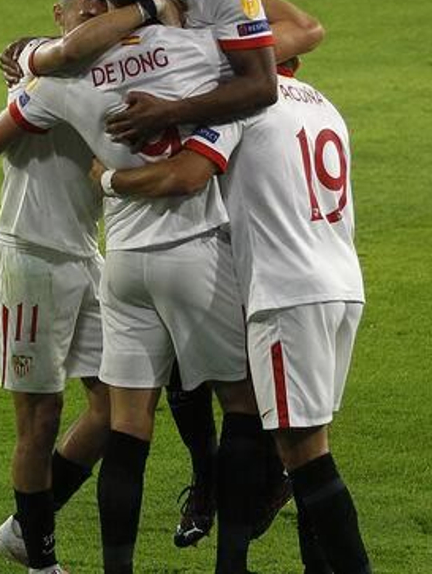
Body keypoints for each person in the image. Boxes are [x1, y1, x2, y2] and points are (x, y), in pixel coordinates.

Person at [0, 0, 271, 574]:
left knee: (119, 414)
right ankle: (52, 556)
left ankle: (35, 532)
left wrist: (36, 62)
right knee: (233, 407)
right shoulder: (194, 54)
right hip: (70, 253)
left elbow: (39, 66)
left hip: (106, 257)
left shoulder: (68, 72)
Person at [91, 59, 371, 574]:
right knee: (305, 454)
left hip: (287, 294)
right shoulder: (322, 103)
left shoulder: (243, 105)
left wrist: (110, 178)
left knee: (308, 463)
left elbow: (186, 174)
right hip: (342, 285)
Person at [0, 0, 113, 574]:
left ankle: (22, 529)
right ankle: (41, 562)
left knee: (116, 408)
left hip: (86, 254)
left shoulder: (109, 73)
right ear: (60, 17)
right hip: (30, 256)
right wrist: (29, 86)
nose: (92, 20)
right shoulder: (44, 82)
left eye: (101, 11)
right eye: (83, 11)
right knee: (40, 417)